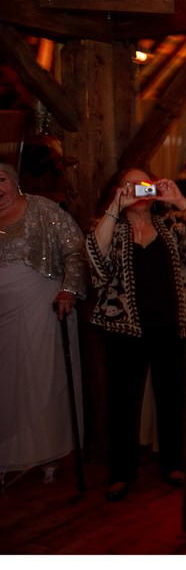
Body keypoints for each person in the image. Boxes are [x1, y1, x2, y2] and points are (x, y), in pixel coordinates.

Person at [87, 167, 186, 501]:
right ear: (118, 190)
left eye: (142, 184)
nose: (136, 191)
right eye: (128, 185)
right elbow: (95, 259)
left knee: (172, 398)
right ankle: (121, 472)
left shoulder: (172, 224)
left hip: (172, 324)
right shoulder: (112, 226)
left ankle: (174, 464)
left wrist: (181, 201)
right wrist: (114, 206)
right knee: (123, 402)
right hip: (123, 329)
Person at [0, 162, 87, 485]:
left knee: (39, 379)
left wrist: (69, 289)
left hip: (40, 306)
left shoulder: (42, 209)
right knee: (6, 384)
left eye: (1, 179)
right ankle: (8, 455)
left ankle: (47, 453)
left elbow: (77, 251)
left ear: (15, 180)